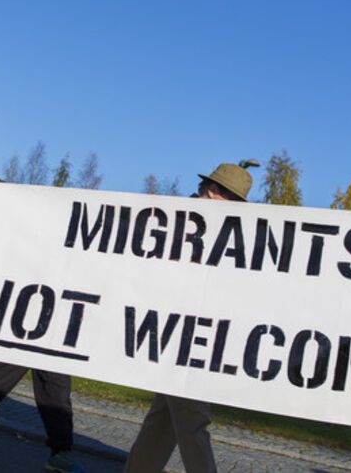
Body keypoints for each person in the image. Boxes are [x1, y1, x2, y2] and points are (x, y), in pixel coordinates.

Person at [123, 162, 255, 473]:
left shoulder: (219, 232)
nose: (236, 210)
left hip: (193, 336)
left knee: (164, 421)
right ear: (213, 192)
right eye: (232, 200)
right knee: (193, 422)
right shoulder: (178, 223)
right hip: (180, 336)